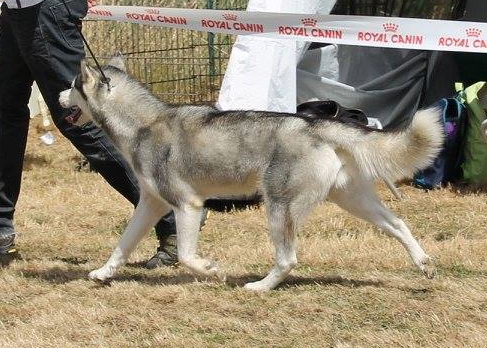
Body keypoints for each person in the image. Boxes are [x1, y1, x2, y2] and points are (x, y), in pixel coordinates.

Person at [0, 0, 186, 268]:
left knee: (79, 119)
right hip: (16, 12)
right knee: (6, 117)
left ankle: (171, 214)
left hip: (44, 11)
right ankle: (2, 227)